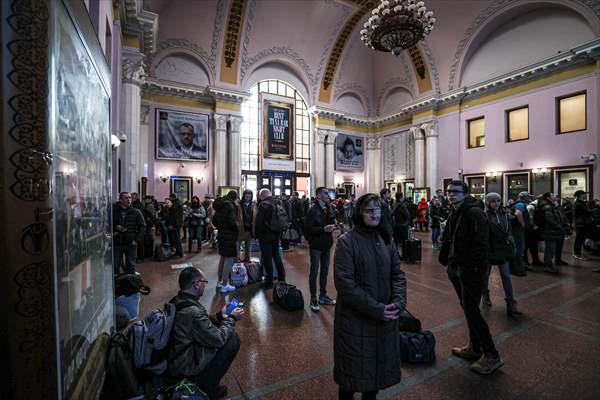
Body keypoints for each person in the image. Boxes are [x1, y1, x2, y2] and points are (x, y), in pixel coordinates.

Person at [333, 193, 406, 400]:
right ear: (359, 213)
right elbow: (345, 284)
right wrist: (377, 309)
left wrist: (399, 302)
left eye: (378, 210)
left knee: (375, 377)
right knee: (351, 377)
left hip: (385, 316)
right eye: (369, 210)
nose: (375, 214)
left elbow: (397, 274)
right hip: (355, 320)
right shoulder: (347, 242)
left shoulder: (386, 240)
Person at [439, 181, 503, 375]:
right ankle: (475, 348)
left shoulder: (474, 212)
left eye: (456, 192)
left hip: (471, 270)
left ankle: (492, 355)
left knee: (472, 310)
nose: (451, 195)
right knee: (468, 308)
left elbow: (481, 244)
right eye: (449, 192)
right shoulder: (455, 210)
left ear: (465, 194)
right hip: (457, 267)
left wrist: (471, 266)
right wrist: (449, 263)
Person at [168, 267, 244, 399]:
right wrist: (232, 318)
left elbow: (203, 325)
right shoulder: (193, 311)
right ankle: (207, 386)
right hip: (185, 365)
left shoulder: (179, 300)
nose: (205, 284)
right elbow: (218, 338)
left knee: (222, 328)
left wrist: (221, 315)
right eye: (204, 281)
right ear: (197, 284)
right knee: (231, 339)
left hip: (177, 356)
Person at [481, 193, 522, 318]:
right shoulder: (484, 215)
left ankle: (511, 303)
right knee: (485, 275)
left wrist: (510, 241)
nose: (496, 203)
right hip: (489, 250)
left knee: (505, 275)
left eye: (498, 200)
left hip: (502, 249)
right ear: (487, 202)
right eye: (493, 201)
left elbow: (508, 229)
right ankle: (485, 294)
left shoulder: (504, 214)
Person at [304, 187, 338, 312]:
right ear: (318, 196)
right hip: (316, 245)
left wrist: (333, 226)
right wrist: (323, 229)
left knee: (324, 271)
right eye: (325, 193)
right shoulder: (312, 210)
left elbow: (333, 220)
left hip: (326, 244)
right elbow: (307, 230)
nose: (327, 195)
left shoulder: (329, 208)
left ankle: (323, 296)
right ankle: (313, 298)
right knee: (314, 271)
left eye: (327, 193)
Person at [255, 188, 286, 285]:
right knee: (276, 256)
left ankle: (269, 280)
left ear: (262, 196)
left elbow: (259, 222)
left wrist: (256, 234)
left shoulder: (263, 205)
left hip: (265, 235)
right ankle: (282, 278)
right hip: (276, 234)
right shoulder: (278, 202)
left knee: (267, 257)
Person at [212, 191, 240, 293]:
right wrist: (237, 227)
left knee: (223, 258)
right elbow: (232, 222)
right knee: (229, 259)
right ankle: (225, 284)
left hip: (221, 234)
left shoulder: (221, 205)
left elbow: (214, 220)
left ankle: (219, 282)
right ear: (235, 198)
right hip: (229, 236)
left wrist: (221, 227)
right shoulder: (231, 206)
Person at [112, 192, 146, 274]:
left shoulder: (136, 212)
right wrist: (116, 227)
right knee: (115, 265)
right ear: (120, 200)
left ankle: (130, 284)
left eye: (130, 198)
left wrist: (136, 240)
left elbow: (143, 226)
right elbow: (108, 224)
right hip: (117, 242)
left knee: (131, 266)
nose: (129, 200)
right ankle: (117, 284)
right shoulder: (114, 212)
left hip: (130, 242)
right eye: (126, 198)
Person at [536, 193, 566, 274]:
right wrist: (558, 226)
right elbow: (550, 219)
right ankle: (548, 266)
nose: (554, 197)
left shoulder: (550, 205)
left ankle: (549, 265)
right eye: (552, 196)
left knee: (551, 249)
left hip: (551, 230)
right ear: (548, 198)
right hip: (549, 230)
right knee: (549, 249)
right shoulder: (547, 206)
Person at [239, 190, 257, 261]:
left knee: (248, 247)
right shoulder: (239, 204)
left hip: (249, 229)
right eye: (246, 196)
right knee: (237, 247)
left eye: (249, 196)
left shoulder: (253, 205)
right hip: (240, 228)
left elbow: (255, 216)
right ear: (244, 196)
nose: (248, 198)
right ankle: (238, 262)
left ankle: (247, 260)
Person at [573, 190, 590, 261]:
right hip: (580, 223)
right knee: (579, 238)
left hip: (583, 223)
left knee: (582, 238)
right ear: (580, 195)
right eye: (584, 194)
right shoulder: (578, 203)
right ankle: (576, 253)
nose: (585, 195)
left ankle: (579, 251)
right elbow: (587, 212)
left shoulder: (582, 202)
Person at [167, 193, 185, 257]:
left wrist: (173, 225)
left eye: (170, 198)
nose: (169, 199)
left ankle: (179, 253)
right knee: (176, 239)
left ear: (172, 197)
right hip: (178, 224)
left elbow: (175, 216)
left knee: (177, 239)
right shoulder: (178, 203)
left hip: (176, 224)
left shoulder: (176, 204)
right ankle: (178, 252)